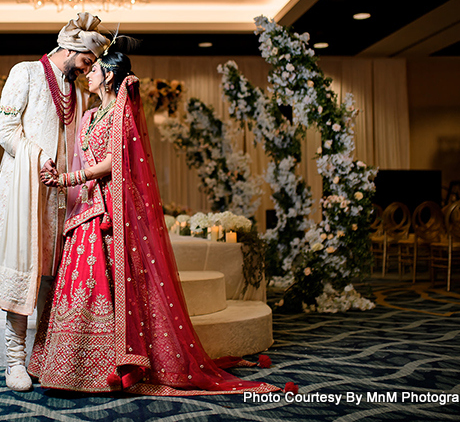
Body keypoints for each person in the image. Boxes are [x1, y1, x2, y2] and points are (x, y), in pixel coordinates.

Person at [29, 41, 281, 395]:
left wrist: (68, 179)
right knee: (81, 281)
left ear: (109, 75)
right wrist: (61, 176)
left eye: (94, 70)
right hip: (86, 206)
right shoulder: (88, 115)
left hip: (111, 207)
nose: (87, 75)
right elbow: (81, 157)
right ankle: (71, 365)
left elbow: (113, 163)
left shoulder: (122, 112)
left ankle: (117, 365)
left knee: (112, 279)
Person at [0, 12, 112, 392]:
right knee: (23, 272)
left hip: (61, 194)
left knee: (51, 276)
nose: (90, 68)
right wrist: (39, 157)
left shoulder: (74, 90)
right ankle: (13, 362)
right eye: (89, 60)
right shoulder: (24, 72)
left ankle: (42, 356)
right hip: (25, 189)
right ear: (73, 47)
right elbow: (4, 131)